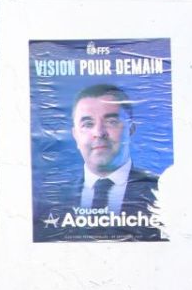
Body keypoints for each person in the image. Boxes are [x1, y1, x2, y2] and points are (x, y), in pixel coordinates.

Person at [34, 83, 163, 242]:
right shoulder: (50, 199)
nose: (99, 133)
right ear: (75, 135)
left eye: (111, 121)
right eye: (88, 124)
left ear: (131, 129)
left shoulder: (163, 194)